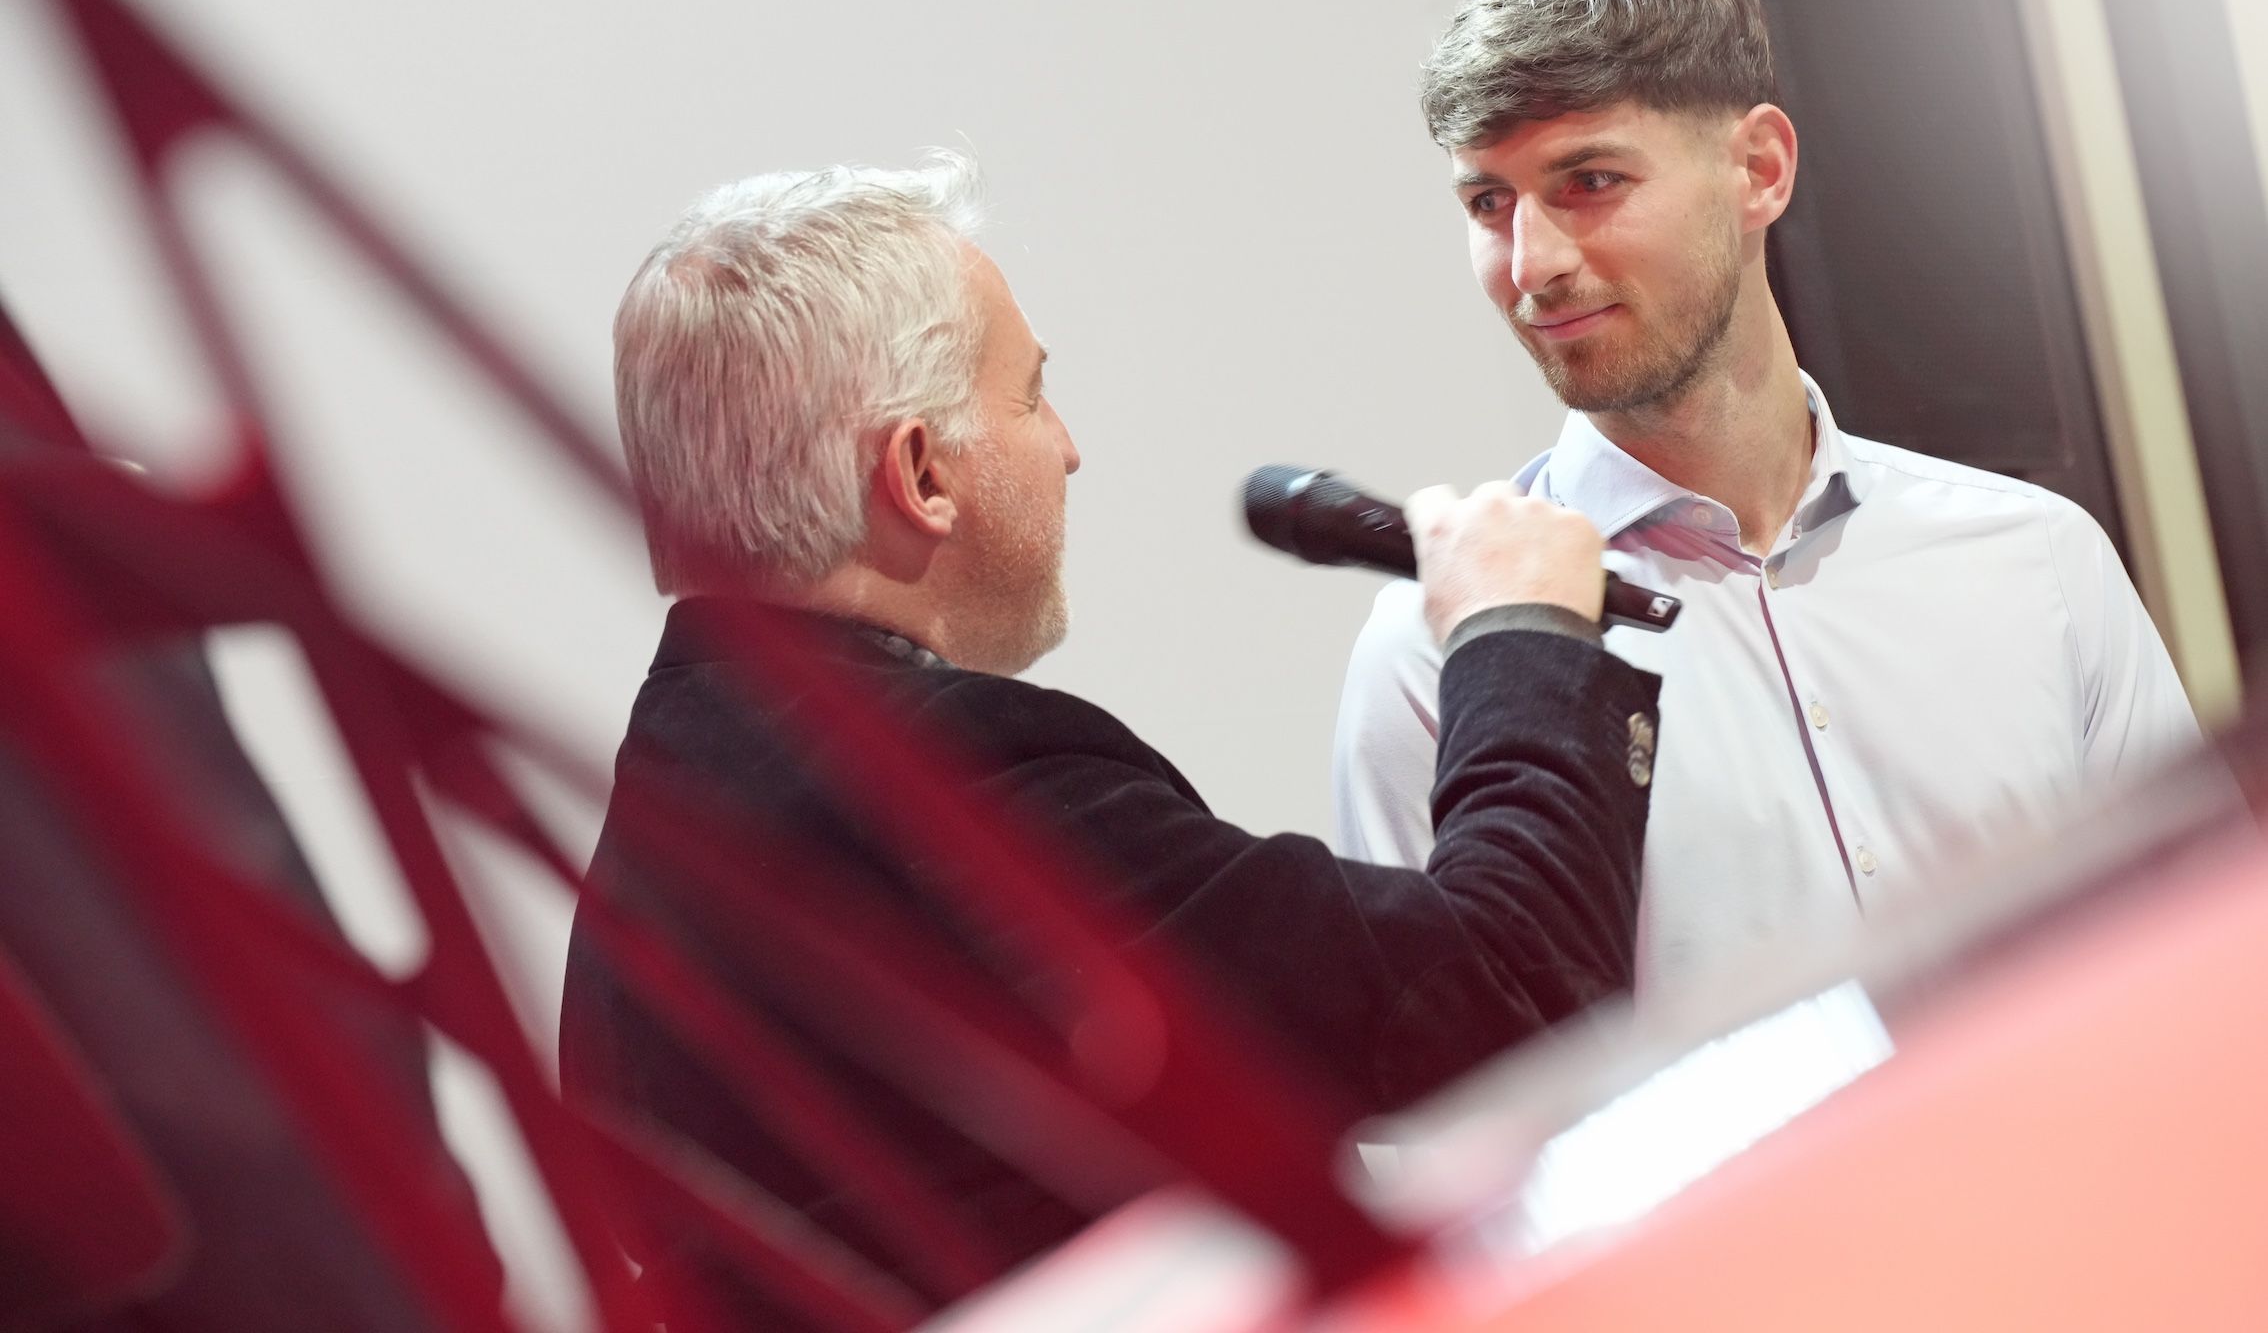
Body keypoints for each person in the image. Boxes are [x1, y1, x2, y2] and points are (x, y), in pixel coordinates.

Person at [558, 155, 1661, 1325]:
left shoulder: (646, 849)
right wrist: (1519, 631)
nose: (1069, 447)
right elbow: (1509, 997)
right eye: (1031, 396)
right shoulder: (954, 791)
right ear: (921, 473)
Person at [1332, 0, 2205, 1006]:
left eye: (1589, 180)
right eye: (1487, 203)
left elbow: (2205, 967)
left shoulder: (2037, 560)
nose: (1531, 263)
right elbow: (1441, 1082)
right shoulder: (1440, 656)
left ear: (1758, 169)